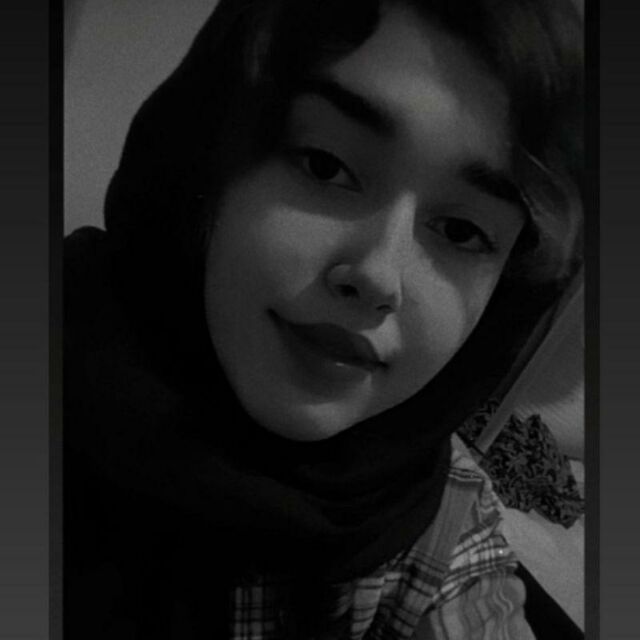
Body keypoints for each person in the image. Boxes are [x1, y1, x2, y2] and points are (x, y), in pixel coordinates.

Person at [64, 0, 584, 637]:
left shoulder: (440, 528)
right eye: (325, 166)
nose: (378, 275)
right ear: (214, 156)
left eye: (461, 231)